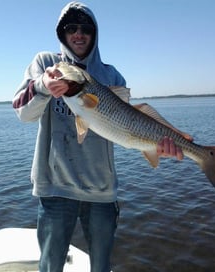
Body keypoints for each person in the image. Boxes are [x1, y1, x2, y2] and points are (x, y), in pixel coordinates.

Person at [12, 2, 183, 272]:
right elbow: (23, 112)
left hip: (102, 192)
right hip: (56, 189)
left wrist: (157, 144)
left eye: (85, 29)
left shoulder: (111, 75)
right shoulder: (46, 64)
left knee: (101, 266)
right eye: (71, 28)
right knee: (50, 266)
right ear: (61, 33)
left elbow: (124, 127)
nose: (78, 34)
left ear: (95, 34)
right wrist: (43, 86)